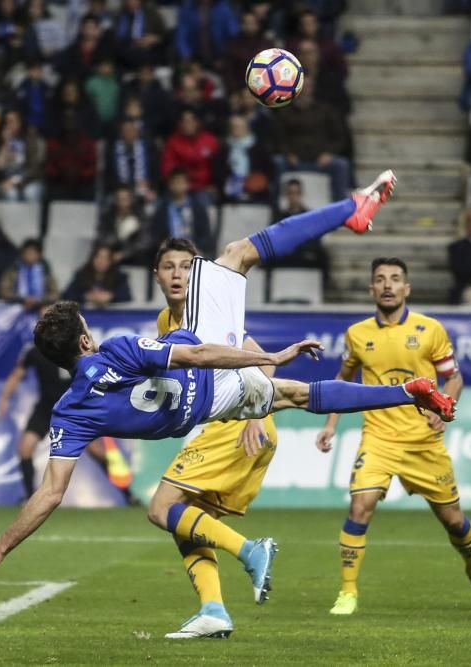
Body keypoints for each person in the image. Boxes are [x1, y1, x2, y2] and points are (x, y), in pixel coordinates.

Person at [0, 170, 458, 595]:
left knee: (295, 397)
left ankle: (407, 392)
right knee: (239, 253)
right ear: (86, 341)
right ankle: (350, 211)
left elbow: (49, 495)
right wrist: (268, 354)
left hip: (208, 410)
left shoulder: (67, 414)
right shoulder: (119, 350)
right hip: (213, 378)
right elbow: (195, 352)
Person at [315, 257, 471, 617]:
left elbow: (454, 378)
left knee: (453, 520)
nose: (387, 284)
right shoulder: (357, 334)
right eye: (380, 279)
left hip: (422, 442)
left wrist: (441, 408)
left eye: (395, 279)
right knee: (359, 507)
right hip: (379, 439)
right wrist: (330, 425)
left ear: (407, 288)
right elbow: (342, 382)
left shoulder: (430, 329)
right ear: (371, 288)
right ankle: (348, 592)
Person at [143, 237, 278, 639]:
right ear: (157, 276)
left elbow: (263, 362)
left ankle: (252, 551)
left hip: (241, 425)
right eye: (169, 267)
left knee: (161, 507)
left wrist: (258, 413)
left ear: (198, 273)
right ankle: (213, 610)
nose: (178, 274)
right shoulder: (165, 323)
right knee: (186, 523)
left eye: (187, 266)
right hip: (226, 425)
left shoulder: (209, 314)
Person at [0, 338, 136, 503]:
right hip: (46, 409)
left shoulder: (73, 347)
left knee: (98, 452)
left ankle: (128, 494)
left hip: (74, 408)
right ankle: (29, 497)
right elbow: (17, 374)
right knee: (25, 449)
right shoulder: (35, 351)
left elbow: (101, 367)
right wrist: (4, 399)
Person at [149, 169, 216, 257]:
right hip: (169, 251)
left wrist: (198, 249)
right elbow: (155, 234)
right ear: (169, 185)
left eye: (181, 182)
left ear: (188, 184)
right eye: (174, 183)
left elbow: (205, 234)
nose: (178, 186)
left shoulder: (197, 208)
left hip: (195, 251)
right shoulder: (162, 208)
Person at [161, 108, 220, 197]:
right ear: (180, 124)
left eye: (191, 120)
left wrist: (214, 185)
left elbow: (217, 168)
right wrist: (178, 184)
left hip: (204, 188)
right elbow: (168, 168)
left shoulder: (210, 141)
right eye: (184, 121)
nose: (188, 124)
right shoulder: (172, 142)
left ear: (197, 122)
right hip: (179, 188)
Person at [62, 243, 131, 306]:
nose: (102, 261)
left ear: (111, 261)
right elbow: (66, 295)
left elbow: (127, 296)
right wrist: (86, 296)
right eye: (98, 257)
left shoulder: (119, 276)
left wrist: (110, 296)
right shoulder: (82, 274)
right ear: (92, 258)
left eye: (106, 258)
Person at [0, 238, 60, 307]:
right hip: (16, 306)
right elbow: (4, 291)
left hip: (40, 307)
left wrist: (39, 300)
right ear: (22, 254)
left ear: (39, 255)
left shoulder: (45, 271)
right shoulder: (13, 269)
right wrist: (22, 299)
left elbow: (55, 294)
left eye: (33, 253)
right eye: (27, 253)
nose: (30, 256)